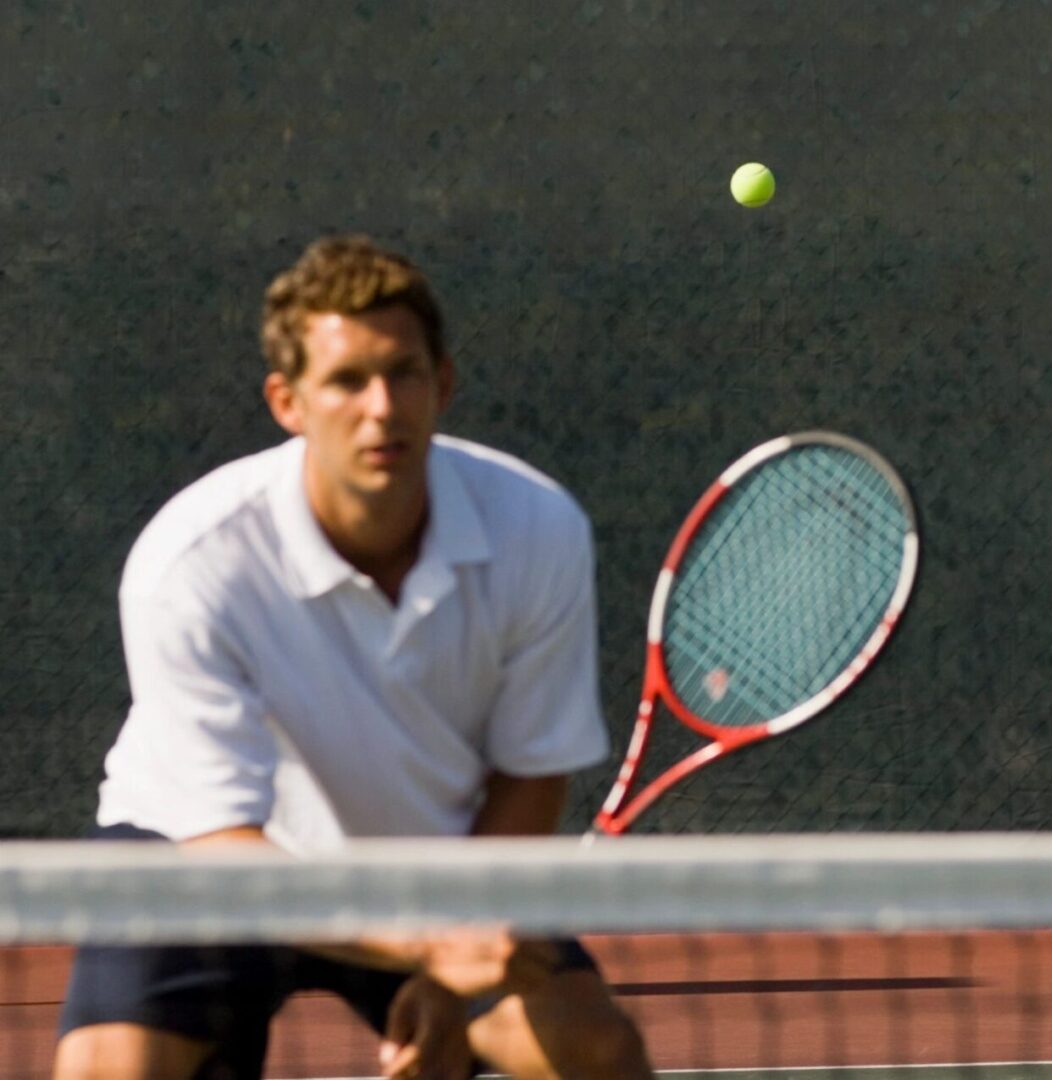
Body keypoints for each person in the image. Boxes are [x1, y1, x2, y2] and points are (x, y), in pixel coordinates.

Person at [55, 235, 654, 1079]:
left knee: (597, 1050)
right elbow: (224, 845)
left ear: (442, 384)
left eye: (403, 373)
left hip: (429, 859)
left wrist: (448, 975)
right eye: (344, 381)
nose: (381, 407)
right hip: (203, 857)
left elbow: (530, 772)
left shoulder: (537, 530)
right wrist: (425, 946)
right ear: (287, 401)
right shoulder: (192, 561)